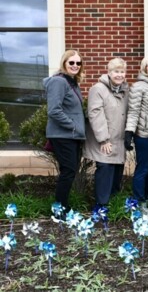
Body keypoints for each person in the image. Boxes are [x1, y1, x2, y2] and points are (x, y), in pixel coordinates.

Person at [43, 50, 86, 212]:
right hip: (63, 135)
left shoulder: (71, 82)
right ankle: (59, 209)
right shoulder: (59, 82)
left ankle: (63, 206)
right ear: (64, 63)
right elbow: (54, 110)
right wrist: (73, 125)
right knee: (68, 171)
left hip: (71, 135)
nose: (75, 65)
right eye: (71, 62)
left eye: (78, 63)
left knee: (69, 171)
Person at [83, 57, 129, 207]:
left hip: (119, 140)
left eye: (122, 72)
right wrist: (103, 139)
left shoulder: (125, 90)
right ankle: (101, 207)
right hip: (105, 140)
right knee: (105, 169)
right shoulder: (98, 89)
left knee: (116, 171)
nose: (119, 75)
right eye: (116, 71)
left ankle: (112, 204)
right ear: (109, 72)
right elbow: (95, 114)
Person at [124, 55, 148, 207]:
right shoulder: (138, 86)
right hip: (144, 134)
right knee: (144, 167)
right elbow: (133, 111)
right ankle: (139, 200)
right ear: (144, 67)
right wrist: (129, 132)